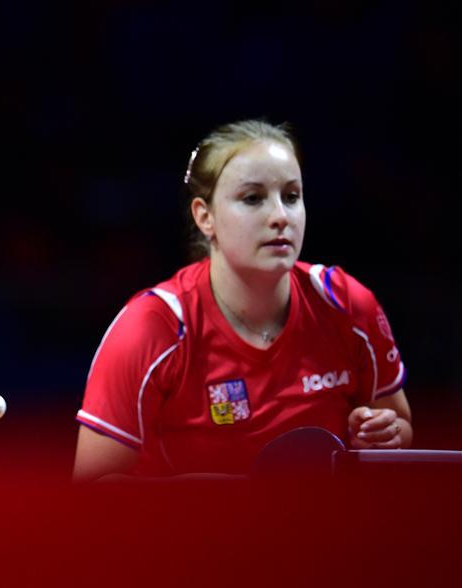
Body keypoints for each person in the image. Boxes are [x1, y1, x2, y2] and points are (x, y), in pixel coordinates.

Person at [73, 120, 412, 482]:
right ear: (205, 217)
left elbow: (401, 429)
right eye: (253, 198)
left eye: (292, 196)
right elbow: (92, 484)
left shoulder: (346, 305)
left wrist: (383, 436)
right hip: (187, 536)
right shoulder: (152, 327)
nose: (280, 216)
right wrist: (208, 501)